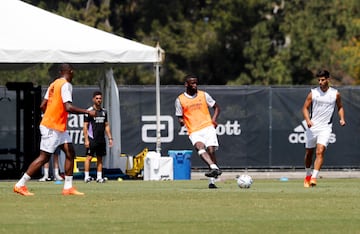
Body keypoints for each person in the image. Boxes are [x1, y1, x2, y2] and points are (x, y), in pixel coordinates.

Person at [13, 63, 96, 196]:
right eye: (73, 72)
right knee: (44, 158)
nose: (73, 74)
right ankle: (20, 184)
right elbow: (68, 107)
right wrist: (87, 112)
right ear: (69, 71)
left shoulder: (54, 84)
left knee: (70, 153)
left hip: (58, 127)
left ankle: (68, 187)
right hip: (52, 127)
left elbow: (42, 105)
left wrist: (52, 112)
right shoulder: (66, 85)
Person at [175, 74, 222, 189]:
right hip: (194, 130)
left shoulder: (203, 95)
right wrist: (181, 122)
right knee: (199, 147)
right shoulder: (180, 99)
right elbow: (179, 116)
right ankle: (214, 167)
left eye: (196, 83)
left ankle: (212, 180)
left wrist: (214, 120)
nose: (195, 85)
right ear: (186, 84)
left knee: (211, 150)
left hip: (207, 126)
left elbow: (216, 107)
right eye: (192, 83)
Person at [302, 69, 346, 188]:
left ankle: (314, 178)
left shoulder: (335, 94)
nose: (320, 82)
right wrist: (308, 120)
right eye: (319, 80)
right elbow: (305, 108)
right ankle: (307, 175)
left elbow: (340, 107)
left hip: (326, 128)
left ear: (328, 79)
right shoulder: (313, 93)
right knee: (309, 153)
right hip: (312, 127)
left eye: (322, 80)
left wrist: (341, 118)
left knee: (320, 151)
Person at [83, 91, 113, 183]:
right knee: (89, 157)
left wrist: (110, 138)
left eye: (100, 98)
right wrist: (86, 140)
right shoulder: (90, 111)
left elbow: (106, 125)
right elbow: (85, 126)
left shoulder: (104, 112)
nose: (99, 100)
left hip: (101, 139)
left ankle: (99, 177)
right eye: (97, 98)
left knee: (100, 158)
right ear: (93, 99)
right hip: (92, 138)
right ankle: (86, 176)